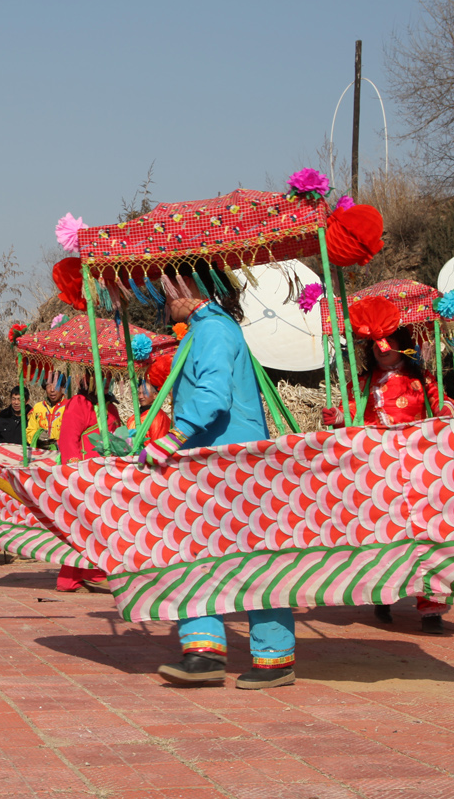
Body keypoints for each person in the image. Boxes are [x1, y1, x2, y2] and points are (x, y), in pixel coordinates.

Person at [140, 265, 295, 690]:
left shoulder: (213, 330)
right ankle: (204, 652)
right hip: (210, 464)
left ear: (189, 286)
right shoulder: (203, 329)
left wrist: (174, 436)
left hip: (233, 463)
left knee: (248, 559)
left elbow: (213, 395)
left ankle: (272, 657)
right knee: (195, 553)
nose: (164, 299)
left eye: (168, 288)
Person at [324, 315, 454, 635]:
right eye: (375, 342)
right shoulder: (362, 383)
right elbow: (350, 413)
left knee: (426, 535)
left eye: (388, 340)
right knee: (382, 534)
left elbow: (443, 404)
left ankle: (431, 607)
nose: (381, 347)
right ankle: (383, 594)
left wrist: (446, 411)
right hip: (376, 469)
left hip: (419, 468)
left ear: (402, 345)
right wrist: (338, 416)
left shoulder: (422, 379)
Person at [55, 375, 121, 593]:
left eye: (109, 378)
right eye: (102, 378)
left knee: (96, 526)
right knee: (85, 526)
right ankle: (89, 575)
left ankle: (73, 578)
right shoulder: (79, 403)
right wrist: (75, 474)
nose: (107, 382)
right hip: (85, 475)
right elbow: (68, 439)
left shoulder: (111, 407)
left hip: (106, 475)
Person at [25, 377, 67, 449]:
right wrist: (38, 436)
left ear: (62, 387)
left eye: (56, 385)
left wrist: (57, 443)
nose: (52, 390)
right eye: (49, 386)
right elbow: (29, 431)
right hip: (41, 452)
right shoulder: (37, 408)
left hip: (63, 452)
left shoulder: (70, 407)